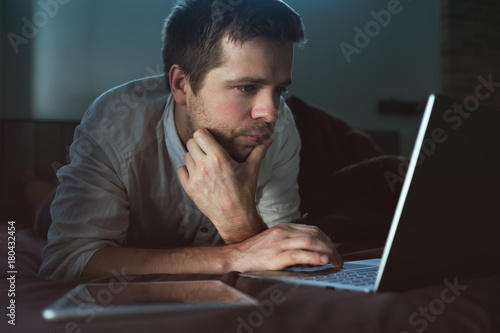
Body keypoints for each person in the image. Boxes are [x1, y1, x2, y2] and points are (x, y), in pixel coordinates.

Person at [38, 0, 343, 280]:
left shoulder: (281, 127)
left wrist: (240, 221)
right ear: (181, 84)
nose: (271, 113)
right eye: (247, 87)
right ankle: (34, 187)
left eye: (279, 89)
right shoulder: (114, 123)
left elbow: (278, 255)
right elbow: (66, 262)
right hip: (84, 194)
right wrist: (232, 257)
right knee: (45, 212)